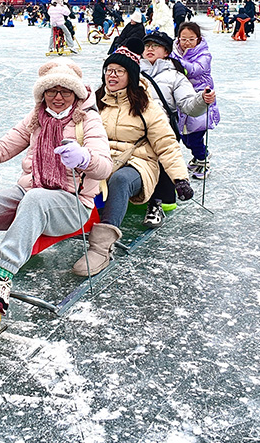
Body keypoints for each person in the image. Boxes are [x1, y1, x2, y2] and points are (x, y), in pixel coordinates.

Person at [0, 60, 113, 314]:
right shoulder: (36, 118)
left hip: (72, 203)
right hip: (32, 190)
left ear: (76, 93)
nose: (57, 97)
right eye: (50, 91)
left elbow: (104, 167)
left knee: (35, 199)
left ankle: (2, 279)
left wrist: (83, 158)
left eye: (65, 91)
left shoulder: (87, 120)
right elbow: (2, 150)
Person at [73, 39, 193, 276]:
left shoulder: (147, 106)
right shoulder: (95, 102)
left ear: (132, 76)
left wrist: (180, 178)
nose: (112, 75)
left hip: (137, 163)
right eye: (109, 70)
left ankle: (101, 248)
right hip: (102, 159)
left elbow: (166, 144)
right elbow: (78, 133)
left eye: (119, 71)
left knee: (119, 180)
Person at [139, 31, 215, 227]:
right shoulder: (132, 71)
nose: (150, 49)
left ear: (166, 52)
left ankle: (156, 204)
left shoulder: (175, 76)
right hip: (135, 126)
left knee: (163, 161)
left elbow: (189, 104)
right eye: (147, 45)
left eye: (155, 46)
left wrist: (201, 100)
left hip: (163, 127)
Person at [172, 22, 220, 178]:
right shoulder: (175, 52)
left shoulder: (204, 55)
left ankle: (203, 159)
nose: (187, 43)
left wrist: (174, 62)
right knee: (185, 136)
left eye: (191, 39)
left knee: (195, 136)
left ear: (198, 39)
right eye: (183, 39)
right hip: (184, 100)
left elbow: (194, 70)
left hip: (201, 99)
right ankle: (199, 154)